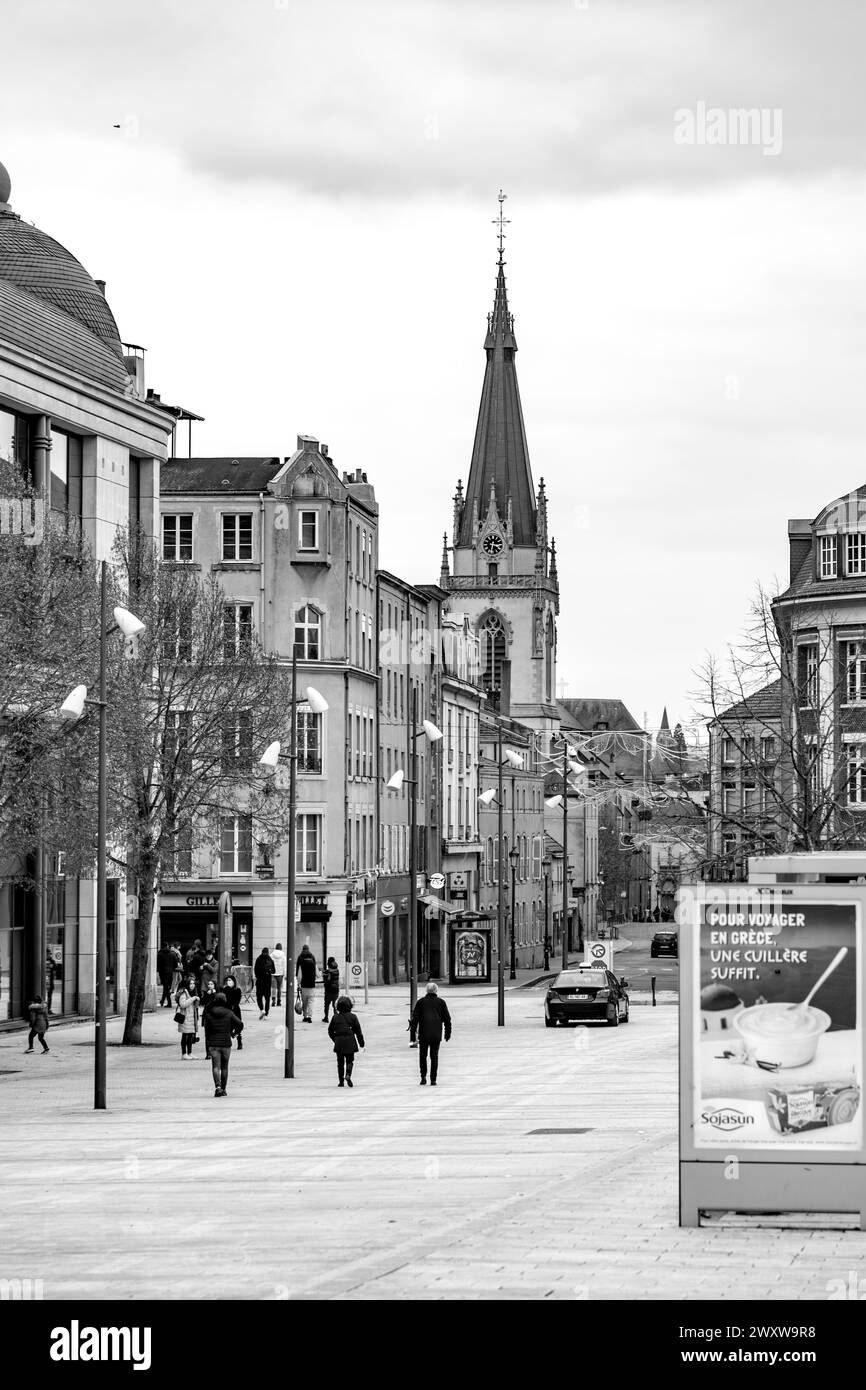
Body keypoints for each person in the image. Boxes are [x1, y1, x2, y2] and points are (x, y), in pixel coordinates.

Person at [409, 981, 451, 1086]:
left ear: (426, 990)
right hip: (436, 1034)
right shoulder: (441, 1002)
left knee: (423, 1056)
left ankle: (423, 1077)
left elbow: (415, 1020)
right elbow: (447, 1019)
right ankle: (433, 1079)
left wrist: (413, 1035)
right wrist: (447, 1033)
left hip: (423, 1034)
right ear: (436, 990)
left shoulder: (421, 1002)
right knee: (434, 1056)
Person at [205, 991, 243, 1097]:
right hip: (226, 1042)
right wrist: (234, 1033)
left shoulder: (209, 1013)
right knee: (225, 1067)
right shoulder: (229, 1012)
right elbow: (240, 1024)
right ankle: (224, 1089)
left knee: (215, 1067)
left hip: (213, 1043)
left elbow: (207, 1031)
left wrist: (208, 1044)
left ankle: (217, 1087)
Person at [328, 996, 365, 1087]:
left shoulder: (335, 1017)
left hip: (339, 1042)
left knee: (340, 1062)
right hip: (350, 1042)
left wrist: (335, 1039)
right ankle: (348, 1075)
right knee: (350, 1060)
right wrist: (362, 1044)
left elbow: (330, 1030)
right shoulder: (353, 1017)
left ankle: (341, 1081)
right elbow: (358, 1032)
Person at [175, 974, 200, 1058]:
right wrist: (193, 999)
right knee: (185, 1035)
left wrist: (197, 1000)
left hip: (191, 1018)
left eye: (193, 984)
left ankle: (190, 1052)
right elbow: (183, 1004)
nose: (192, 985)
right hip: (185, 1017)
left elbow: (194, 1006)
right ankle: (184, 1053)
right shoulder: (184, 993)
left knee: (190, 1036)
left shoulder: (193, 992)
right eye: (190, 983)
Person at [295, 943, 317, 1023]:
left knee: (304, 1002)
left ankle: (305, 1016)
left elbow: (298, 972)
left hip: (304, 984)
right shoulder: (312, 957)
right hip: (312, 984)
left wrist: (298, 983)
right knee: (311, 1002)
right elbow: (316, 970)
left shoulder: (300, 957)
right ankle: (310, 1017)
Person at [222, 975, 244, 1050]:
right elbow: (224, 999)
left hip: (235, 1009)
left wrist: (233, 1006)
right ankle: (228, 1043)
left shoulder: (237, 990)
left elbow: (238, 1000)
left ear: (234, 981)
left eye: (230, 980)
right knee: (229, 1027)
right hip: (227, 1010)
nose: (229, 982)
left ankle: (239, 1042)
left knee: (238, 1025)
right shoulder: (225, 989)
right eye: (228, 980)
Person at [254, 946, 275, 1018]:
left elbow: (255, 970)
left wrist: (258, 976)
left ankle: (262, 1009)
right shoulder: (270, 960)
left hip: (260, 981)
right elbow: (274, 971)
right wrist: (268, 972)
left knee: (259, 997)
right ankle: (266, 1013)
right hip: (267, 982)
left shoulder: (258, 959)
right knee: (267, 998)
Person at [156, 942, 176, 1007]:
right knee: (167, 987)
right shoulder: (172, 954)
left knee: (165, 987)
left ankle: (168, 1003)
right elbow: (175, 964)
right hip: (170, 972)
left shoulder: (160, 954)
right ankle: (162, 1001)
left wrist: (159, 972)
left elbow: (158, 965)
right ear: (167, 946)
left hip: (163, 973)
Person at [321, 957, 340, 1022]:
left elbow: (328, 980)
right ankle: (337, 1018)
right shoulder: (337, 970)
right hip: (336, 989)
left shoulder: (329, 971)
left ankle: (326, 1017)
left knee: (326, 1004)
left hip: (329, 990)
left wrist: (324, 975)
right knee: (335, 1005)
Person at [271, 942, 287, 1008]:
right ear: (281, 948)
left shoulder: (271, 955)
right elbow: (284, 966)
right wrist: (285, 974)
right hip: (280, 974)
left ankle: (273, 1000)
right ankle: (279, 1001)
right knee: (279, 988)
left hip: (273, 973)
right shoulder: (283, 956)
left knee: (273, 988)